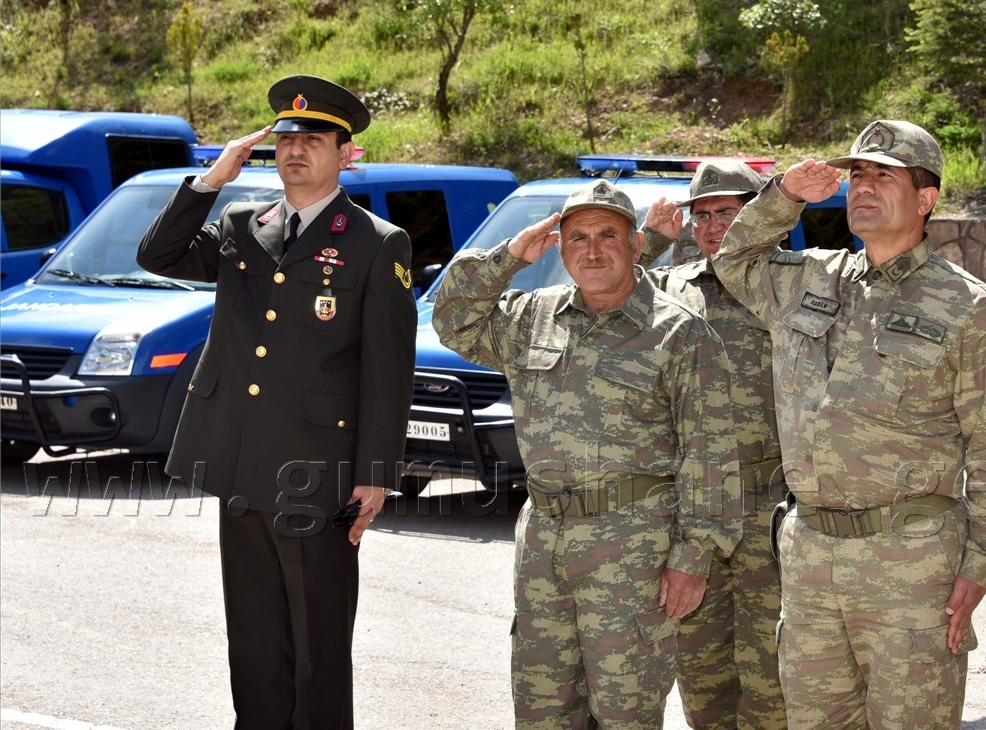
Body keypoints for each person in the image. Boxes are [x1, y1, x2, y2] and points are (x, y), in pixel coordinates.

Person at [714, 120, 986, 729]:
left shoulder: (967, 306)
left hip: (910, 563)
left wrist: (981, 567)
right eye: (857, 174)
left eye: (885, 176)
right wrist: (784, 195)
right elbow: (734, 258)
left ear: (926, 199)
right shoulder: (808, 279)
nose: (863, 186)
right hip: (810, 554)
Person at [136, 75, 417, 729]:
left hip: (318, 470)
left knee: (317, 641)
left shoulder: (377, 242)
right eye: (286, 138)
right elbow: (158, 255)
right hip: (240, 459)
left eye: (314, 139)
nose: (296, 149)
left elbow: (388, 371)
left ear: (346, 153)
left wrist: (376, 472)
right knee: (254, 637)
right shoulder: (243, 223)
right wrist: (211, 180)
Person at [432, 179, 743, 729]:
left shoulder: (678, 332)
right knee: (542, 706)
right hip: (544, 540)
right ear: (560, 245)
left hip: (633, 547)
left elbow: (711, 455)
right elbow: (452, 319)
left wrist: (693, 558)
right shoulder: (533, 315)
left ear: (636, 244)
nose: (593, 250)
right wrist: (509, 257)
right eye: (577, 237)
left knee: (625, 709)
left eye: (608, 235)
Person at [640, 160, 788, 730]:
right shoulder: (672, 288)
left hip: (771, 505)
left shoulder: (793, 283)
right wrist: (653, 240)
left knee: (771, 671)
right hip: (694, 507)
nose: (712, 226)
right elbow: (606, 290)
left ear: (758, 213)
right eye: (700, 216)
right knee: (700, 669)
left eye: (727, 212)